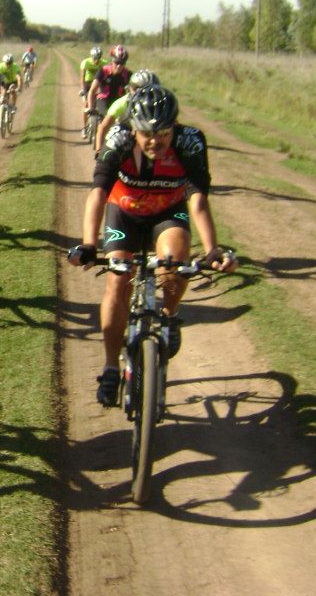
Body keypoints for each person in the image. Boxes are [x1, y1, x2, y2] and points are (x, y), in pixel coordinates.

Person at [68, 85, 237, 407]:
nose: (155, 141)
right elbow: (98, 194)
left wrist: (213, 249)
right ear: (132, 127)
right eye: (146, 133)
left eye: (163, 132)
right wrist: (90, 244)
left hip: (167, 213)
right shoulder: (118, 140)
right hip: (124, 212)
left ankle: (170, 316)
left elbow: (198, 200)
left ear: (174, 126)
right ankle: (109, 368)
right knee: (118, 280)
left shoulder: (190, 142)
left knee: (174, 264)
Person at [94, 68, 160, 151]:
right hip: (124, 140)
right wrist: (99, 150)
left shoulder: (160, 104)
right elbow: (103, 127)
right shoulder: (122, 103)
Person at [86, 44, 131, 149]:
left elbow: (133, 92)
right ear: (112, 60)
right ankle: (99, 150)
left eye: (122, 63)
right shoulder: (103, 71)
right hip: (104, 99)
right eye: (117, 63)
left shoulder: (127, 74)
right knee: (106, 121)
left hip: (119, 101)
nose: (119, 66)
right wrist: (91, 108)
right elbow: (92, 91)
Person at [79, 46, 107, 137]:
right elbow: (82, 77)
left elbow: (106, 78)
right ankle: (84, 128)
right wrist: (83, 89)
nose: (96, 60)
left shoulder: (104, 63)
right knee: (86, 104)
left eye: (98, 58)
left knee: (100, 101)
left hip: (98, 83)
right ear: (91, 56)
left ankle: (99, 123)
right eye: (95, 58)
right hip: (87, 83)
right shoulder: (85, 62)